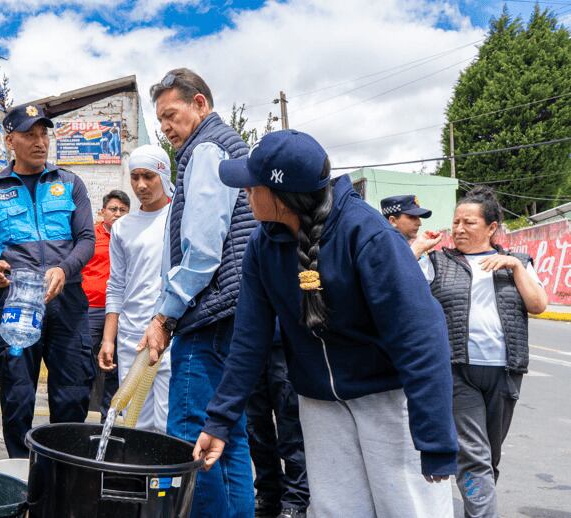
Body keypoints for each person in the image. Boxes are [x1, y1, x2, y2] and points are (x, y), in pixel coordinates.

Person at [193, 129, 458, 518]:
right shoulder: (262, 247)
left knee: (408, 510)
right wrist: (218, 421)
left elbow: (421, 336)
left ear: (281, 194)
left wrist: (436, 440)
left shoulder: (365, 234)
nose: (244, 191)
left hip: (387, 400)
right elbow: (248, 342)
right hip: (319, 407)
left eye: (252, 184)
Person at [139, 68, 256, 517]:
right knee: (228, 432)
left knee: (193, 436)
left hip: (208, 316)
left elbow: (203, 251)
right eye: (161, 120)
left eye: (172, 114)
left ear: (200, 104)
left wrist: (165, 315)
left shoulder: (206, 149)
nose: (167, 127)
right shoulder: (227, 146)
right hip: (235, 312)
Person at [413, 187, 547, 517]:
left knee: (490, 456)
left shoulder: (517, 262)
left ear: (491, 227)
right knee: (473, 455)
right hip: (458, 370)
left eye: (468, 222)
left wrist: (515, 267)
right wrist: (416, 249)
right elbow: (402, 290)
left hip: (505, 370)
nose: (458, 228)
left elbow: (538, 305)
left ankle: (479, 504)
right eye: (455, 222)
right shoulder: (437, 262)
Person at [0, 103, 96, 458]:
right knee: (17, 394)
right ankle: (22, 476)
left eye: (44, 134)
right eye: (30, 135)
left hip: (67, 303)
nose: (40, 142)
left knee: (71, 395)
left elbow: (86, 239)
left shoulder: (70, 183)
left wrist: (65, 269)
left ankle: (64, 475)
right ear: (10, 140)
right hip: (16, 304)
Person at [99, 145, 173, 432]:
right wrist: (109, 339)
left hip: (169, 334)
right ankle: (138, 480)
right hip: (131, 337)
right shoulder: (123, 227)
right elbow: (116, 284)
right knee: (133, 425)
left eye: (149, 176)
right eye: (135, 177)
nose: (141, 185)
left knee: (168, 424)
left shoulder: (178, 218)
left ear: (164, 175)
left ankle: (167, 480)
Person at [245, 327, 309, 518]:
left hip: (286, 340)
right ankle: (268, 492)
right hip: (252, 341)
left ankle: (297, 498)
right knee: (255, 425)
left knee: (290, 425)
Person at [82, 189, 130, 418]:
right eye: (113, 209)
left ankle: (107, 419)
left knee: (114, 366)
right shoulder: (89, 237)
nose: (118, 214)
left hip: (120, 312)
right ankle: (78, 416)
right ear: (102, 212)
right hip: (91, 309)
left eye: (123, 210)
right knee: (84, 363)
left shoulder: (131, 237)